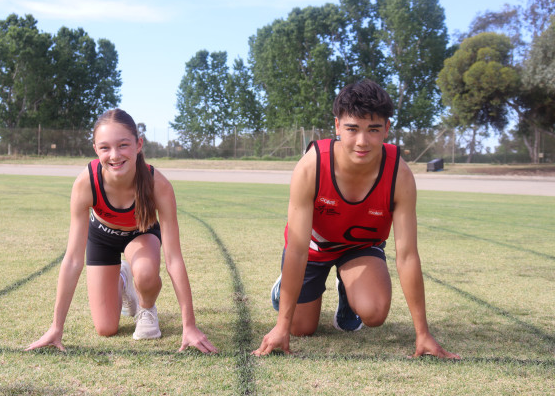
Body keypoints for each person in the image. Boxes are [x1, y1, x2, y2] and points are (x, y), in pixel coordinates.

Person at [253, 80, 459, 359]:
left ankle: (348, 291)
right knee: (301, 328)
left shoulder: (399, 174)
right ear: (337, 126)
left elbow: (407, 255)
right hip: (314, 247)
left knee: (374, 312)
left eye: (373, 129)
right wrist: (281, 326)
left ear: (386, 128)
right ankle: (285, 289)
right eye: (352, 129)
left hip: (359, 248)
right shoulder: (312, 165)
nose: (362, 141)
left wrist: (422, 333)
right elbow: (298, 249)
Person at [26, 108, 217, 354]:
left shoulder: (158, 185)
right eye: (105, 147)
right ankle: (124, 279)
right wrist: (56, 327)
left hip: (141, 234)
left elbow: (174, 260)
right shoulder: (86, 182)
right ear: (95, 149)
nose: (115, 155)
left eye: (123, 145)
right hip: (102, 238)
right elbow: (73, 260)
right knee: (106, 328)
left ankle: (146, 308)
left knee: (146, 273)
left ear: (139, 145)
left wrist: (189, 325)